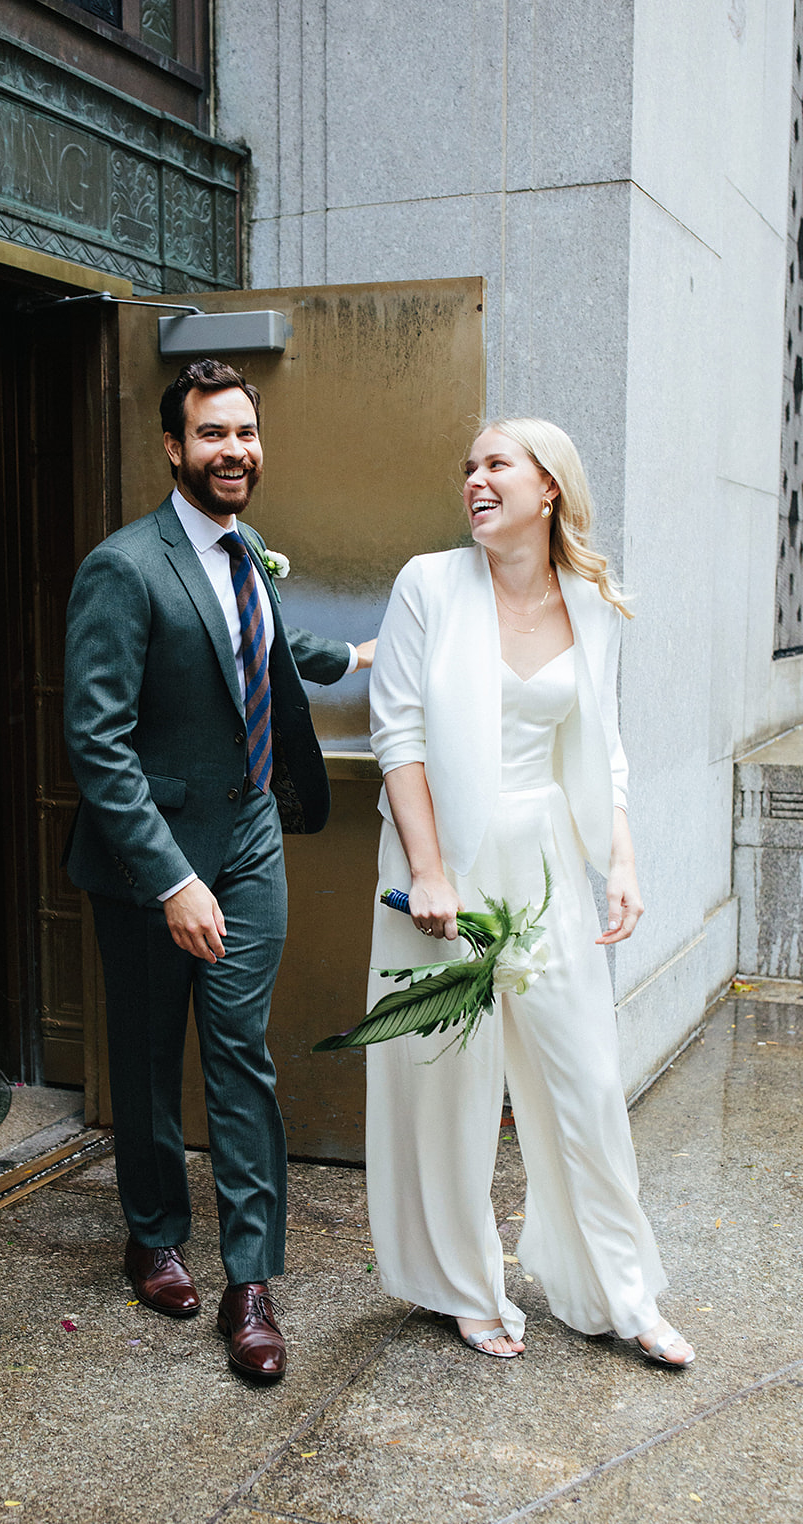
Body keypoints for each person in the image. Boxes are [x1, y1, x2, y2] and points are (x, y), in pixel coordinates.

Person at [63, 358, 374, 1383]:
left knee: (238, 1053)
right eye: (210, 434)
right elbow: (97, 745)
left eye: (243, 432)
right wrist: (169, 881)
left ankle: (250, 1280)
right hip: (151, 861)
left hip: (249, 844)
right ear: (172, 447)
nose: (232, 450)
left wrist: (358, 656)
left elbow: (270, 645)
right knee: (151, 1060)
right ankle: (151, 1235)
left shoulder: (247, 556)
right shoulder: (125, 566)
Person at [364, 417, 694, 1367]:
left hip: (545, 855)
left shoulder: (590, 602)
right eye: (467, 465)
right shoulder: (428, 584)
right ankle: (462, 1286)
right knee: (449, 1082)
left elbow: (604, 748)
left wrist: (620, 861)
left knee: (584, 1078)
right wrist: (427, 869)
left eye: (496, 463)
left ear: (549, 486)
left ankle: (622, 1293)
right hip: (442, 864)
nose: (474, 477)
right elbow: (401, 738)